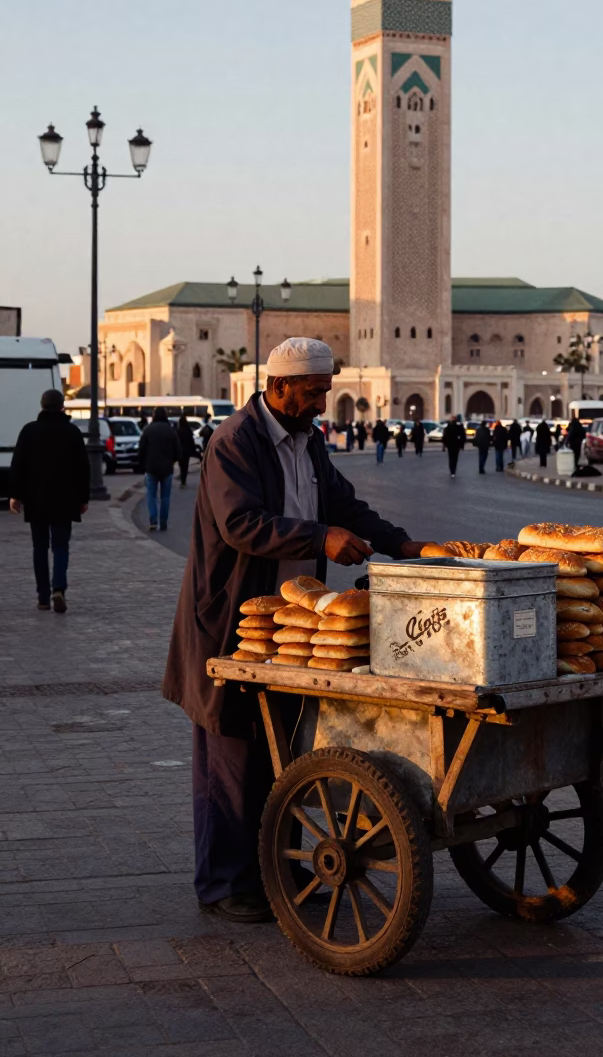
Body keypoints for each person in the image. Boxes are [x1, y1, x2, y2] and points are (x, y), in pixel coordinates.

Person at [162, 337, 428, 924]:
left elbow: (345, 506)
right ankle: (223, 883)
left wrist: (401, 544)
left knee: (276, 750)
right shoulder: (234, 441)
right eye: (314, 391)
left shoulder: (310, 444)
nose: (323, 401)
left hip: (292, 626)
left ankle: (271, 866)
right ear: (280, 387)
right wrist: (319, 538)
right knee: (229, 756)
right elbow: (241, 524)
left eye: (326, 390)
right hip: (233, 621)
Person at [9, 389, 90, 613]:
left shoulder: (29, 431)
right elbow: (83, 468)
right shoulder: (72, 432)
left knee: (40, 547)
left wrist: (15, 495)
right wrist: (83, 498)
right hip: (65, 500)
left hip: (37, 499)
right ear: (62, 406)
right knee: (61, 546)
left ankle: (43, 597)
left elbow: (18, 465)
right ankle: (59, 588)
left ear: (42, 406)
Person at [139, 407, 181, 532]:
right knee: (165, 496)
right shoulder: (171, 431)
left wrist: (143, 464)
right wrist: (172, 461)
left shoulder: (148, 430)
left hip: (151, 468)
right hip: (167, 469)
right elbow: (179, 451)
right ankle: (163, 522)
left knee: (151, 495)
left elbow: (141, 449)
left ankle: (153, 520)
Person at [177, 415, 197, 487]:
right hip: (187, 451)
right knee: (185, 465)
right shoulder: (188, 430)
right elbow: (191, 441)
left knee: (181, 465)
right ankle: (183, 480)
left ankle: (182, 478)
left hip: (180, 451)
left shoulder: (178, 430)